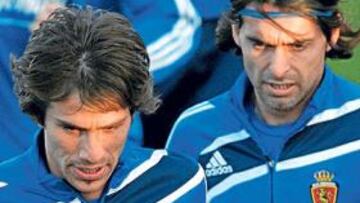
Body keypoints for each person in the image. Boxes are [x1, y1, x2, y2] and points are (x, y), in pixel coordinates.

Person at [0, 6, 206, 202]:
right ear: (39, 116)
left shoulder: (178, 185)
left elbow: (173, 20)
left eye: (111, 128)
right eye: (71, 129)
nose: (92, 154)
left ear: (132, 114)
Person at [166, 0, 360, 202]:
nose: (278, 69)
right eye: (259, 44)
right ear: (236, 33)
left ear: (332, 36)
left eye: (298, 45)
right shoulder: (192, 133)